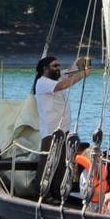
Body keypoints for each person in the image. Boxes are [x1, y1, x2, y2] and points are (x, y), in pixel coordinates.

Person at [33, 56, 91, 199]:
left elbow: (70, 71)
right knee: (48, 164)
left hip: (63, 131)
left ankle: (57, 194)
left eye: (58, 65)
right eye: (54, 66)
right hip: (50, 131)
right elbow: (63, 86)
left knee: (62, 165)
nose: (58, 68)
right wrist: (84, 74)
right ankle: (41, 193)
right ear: (45, 69)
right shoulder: (42, 82)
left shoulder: (56, 78)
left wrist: (80, 63)